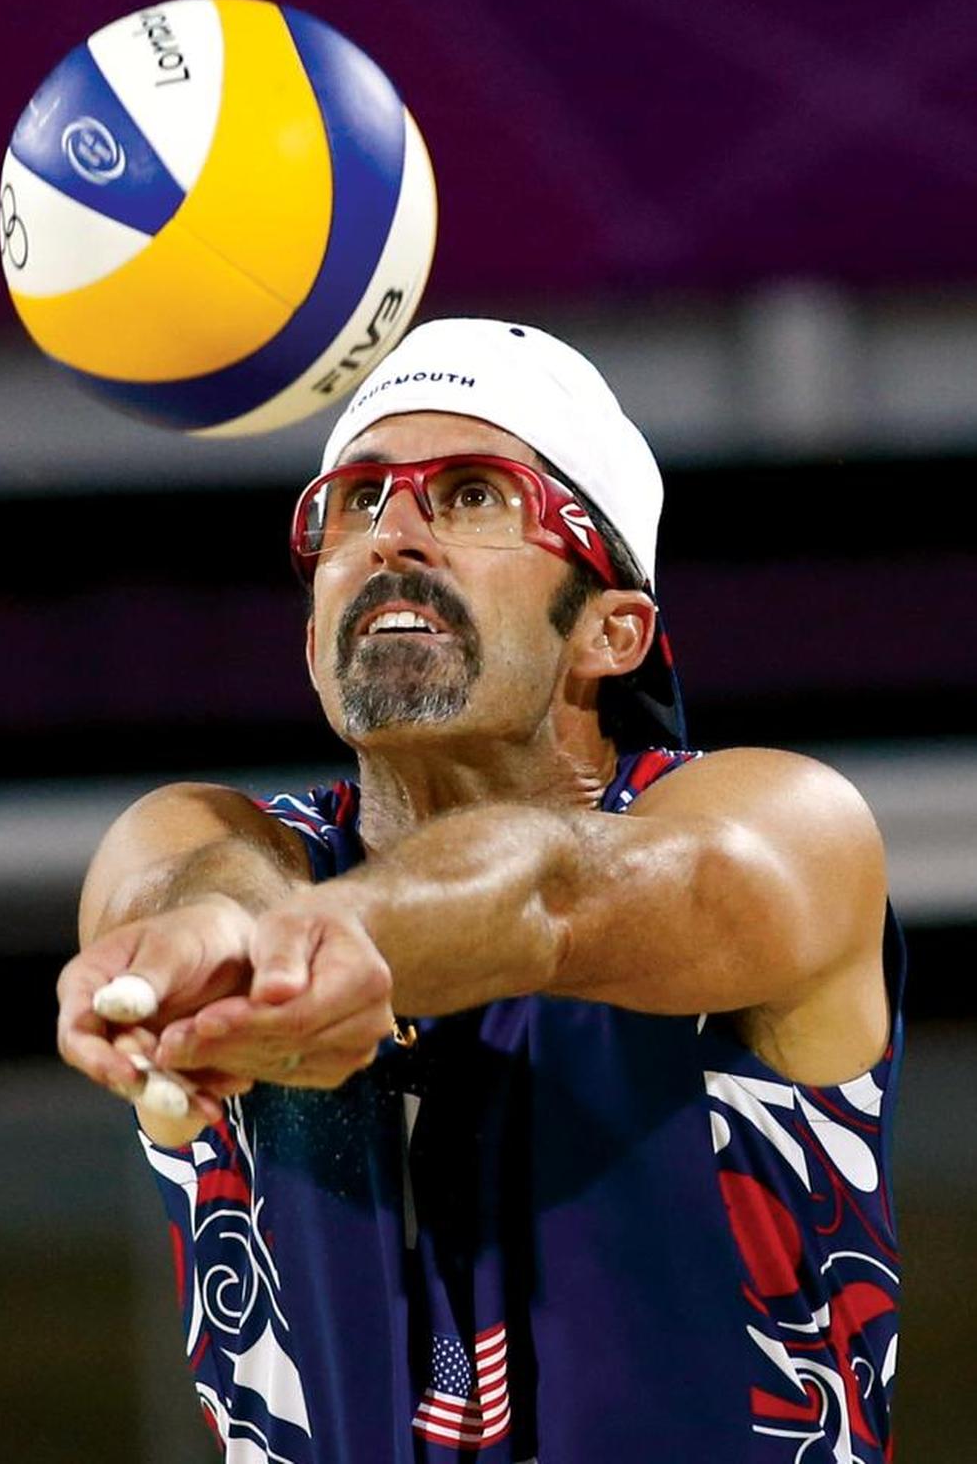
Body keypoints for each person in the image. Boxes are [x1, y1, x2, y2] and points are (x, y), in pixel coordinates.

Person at [57, 318, 903, 1463]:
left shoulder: (782, 832)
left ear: (613, 629)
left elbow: (553, 891)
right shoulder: (207, 847)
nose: (392, 534)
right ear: (312, 643)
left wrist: (341, 937)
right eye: (353, 502)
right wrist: (222, 938)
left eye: (470, 495)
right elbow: (214, 888)